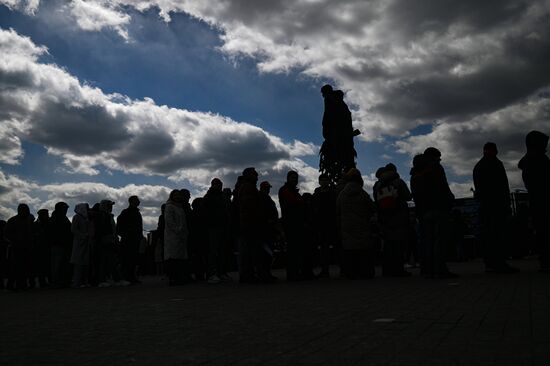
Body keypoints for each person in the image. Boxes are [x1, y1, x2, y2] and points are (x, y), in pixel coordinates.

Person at [410, 148, 458, 278]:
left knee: (427, 241)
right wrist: (450, 200)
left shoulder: (414, 174)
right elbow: (443, 186)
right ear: (434, 157)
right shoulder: (435, 168)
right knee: (440, 240)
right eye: (438, 158)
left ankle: (427, 269)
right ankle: (440, 269)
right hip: (439, 208)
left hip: (423, 211)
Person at [473, 142, 518, 273]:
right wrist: (506, 203)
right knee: (498, 234)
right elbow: (502, 186)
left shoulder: (478, 166)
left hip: (485, 205)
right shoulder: (495, 164)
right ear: (494, 150)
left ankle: (490, 263)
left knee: (488, 235)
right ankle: (499, 263)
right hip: (497, 205)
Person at [518, 131, 550, 272]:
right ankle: (546, 260)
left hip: (538, 200)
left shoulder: (531, 160)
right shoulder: (537, 159)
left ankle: (545, 260)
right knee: (545, 231)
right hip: (543, 200)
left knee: (543, 231)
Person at [336, 168, 376, 279]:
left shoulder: (342, 194)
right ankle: (364, 272)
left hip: (347, 226)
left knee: (349, 250)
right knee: (363, 250)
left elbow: (337, 210)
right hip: (362, 225)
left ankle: (350, 272)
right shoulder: (363, 194)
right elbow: (372, 208)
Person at [374, 164, 412, 277]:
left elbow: (376, 201)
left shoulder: (378, 184)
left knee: (388, 245)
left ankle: (387, 270)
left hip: (385, 218)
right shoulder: (398, 181)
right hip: (399, 216)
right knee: (399, 244)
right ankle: (398, 270)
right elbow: (408, 196)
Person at [279, 170, 314, 281]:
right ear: (288, 178)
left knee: (297, 250)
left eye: (295, 178)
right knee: (293, 250)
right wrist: (303, 202)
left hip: (296, 224)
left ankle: (296, 272)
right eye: (292, 178)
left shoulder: (292, 191)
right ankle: (293, 273)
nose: (294, 180)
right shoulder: (285, 190)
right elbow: (294, 203)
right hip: (291, 225)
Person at [203, 178, 232, 283]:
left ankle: (221, 272)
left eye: (219, 184)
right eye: (216, 184)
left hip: (221, 226)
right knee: (213, 251)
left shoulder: (220, 197)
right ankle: (212, 273)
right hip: (213, 227)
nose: (218, 186)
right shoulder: (209, 197)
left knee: (221, 251)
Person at [238, 167, 264, 283]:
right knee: (248, 250)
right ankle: (247, 275)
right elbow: (249, 206)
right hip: (249, 223)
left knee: (248, 250)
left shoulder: (247, 187)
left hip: (248, 222)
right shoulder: (248, 187)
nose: (257, 176)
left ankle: (248, 274)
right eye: (255, 174)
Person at [312, 174, 338, 278]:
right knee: (324, 248)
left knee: (336, 246)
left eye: (325, 180)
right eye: (322, 180)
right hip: (321, 224)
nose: (323, 181)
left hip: (332, 222)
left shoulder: (333, 193)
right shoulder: (317, 194)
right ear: (319, 182)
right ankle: (325, 269)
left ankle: (343, 268)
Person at [96, 200, 127, 287]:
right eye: (109, 206)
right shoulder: (103, 216)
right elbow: (102, 230)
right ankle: (105, 280)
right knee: (108, 261)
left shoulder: (107, 216)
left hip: (109, 240)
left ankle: (111, 279)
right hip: (106, 241)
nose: (111, 207)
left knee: (110, 261)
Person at [5, 204, 35, 290]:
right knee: (17, 266)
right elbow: (6, 233)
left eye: (26, 210)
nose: (26, 212)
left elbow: (32, 231)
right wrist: (15, 240)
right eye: (24, 210)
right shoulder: (13, 220)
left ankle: (22, 284)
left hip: (27, 246)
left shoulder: (28, 220)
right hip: (17, 247)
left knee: (25, 265)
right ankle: (16, 284)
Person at [164, 190, 190, 286]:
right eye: (175, 195)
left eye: (178, 195)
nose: (177, 197)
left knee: (180, 257)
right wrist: (177, 230)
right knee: (173, 257)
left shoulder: (180, 207)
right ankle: (173, 278)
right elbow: (169, 220)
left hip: (181, 235)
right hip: (173, 235)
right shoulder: (170, 206)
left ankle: (180, 277)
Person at [117, 195, 144, 283]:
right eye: (137, 200)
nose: (138, 202)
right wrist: (126, 234)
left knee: (133, 259)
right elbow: (119, 226)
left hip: (135, 239)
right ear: (132, 201)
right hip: (128, 240)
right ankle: (127, 277)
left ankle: (132, 276)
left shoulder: (136, 212)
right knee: (127, 259)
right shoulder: (126, 212)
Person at [258, 181, 279, 281]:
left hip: (269, 229)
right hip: (264, 230)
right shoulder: (261, 199)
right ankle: (264, 273)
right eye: (266, 188)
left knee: (267, 253)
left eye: (268, 188)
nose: (268, 190)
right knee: (265, 253)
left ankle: (266, 273)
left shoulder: (266, 199)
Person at [49, 202, 72, 288]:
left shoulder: (61, 218)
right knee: (57, 264)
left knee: (61, 264)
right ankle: (56, 282)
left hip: (63, 244)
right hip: (57, 244)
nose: (66, 210)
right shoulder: (56, 218)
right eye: (65, 208)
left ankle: (61, 281)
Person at [70, 203, 91, 288]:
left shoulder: (85, 217)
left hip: (85, 242)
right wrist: (83, 235)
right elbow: (73, 229)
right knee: (79, 262)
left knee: (85, 262)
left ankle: (84, 281)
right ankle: (77, 282)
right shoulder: (77, 217)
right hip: (79, 242)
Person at [32, 208, 51, 287]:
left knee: (47, 265)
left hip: (46, 246)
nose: (46, 216)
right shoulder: (36, 225)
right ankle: (42, 281)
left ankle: (48, 281)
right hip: (39, 247)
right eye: (45, 214)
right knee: (41, 265)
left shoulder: (48, 223)